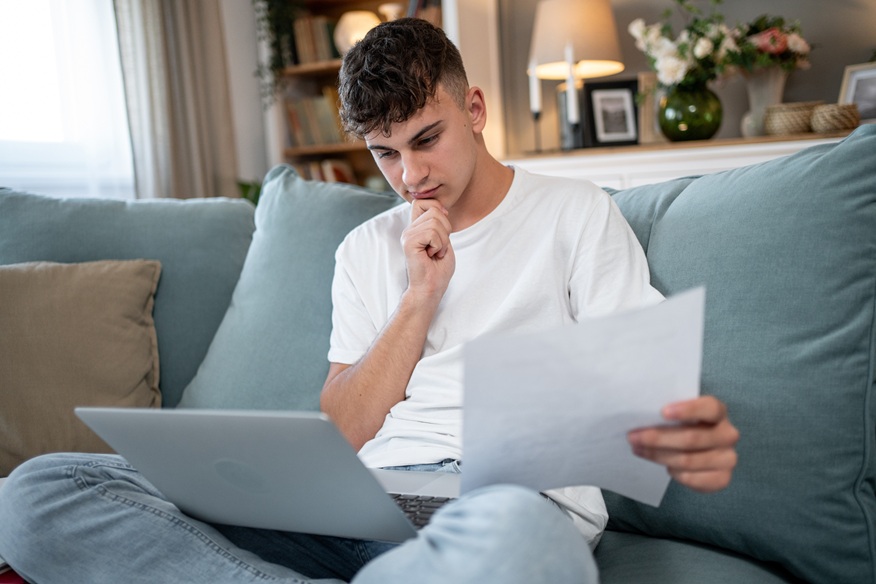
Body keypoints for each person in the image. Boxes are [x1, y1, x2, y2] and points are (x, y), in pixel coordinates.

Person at [0, 17, 738, 584]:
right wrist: (419, 298)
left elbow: (644, 389)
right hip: (353, 502)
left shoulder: (573, 213)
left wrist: (662, 417)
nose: (411, 174)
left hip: (499, 507)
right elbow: (344, 428)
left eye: (427, 139)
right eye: (386, 152)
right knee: (40, 492)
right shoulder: (363, 250)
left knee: (523, 540)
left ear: (474, 108)